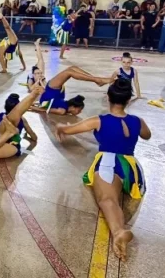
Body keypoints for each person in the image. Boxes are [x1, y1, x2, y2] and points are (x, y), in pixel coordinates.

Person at [55, 78, 151, 261]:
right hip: (131, 168)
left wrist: (60, 127)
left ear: (108, 97)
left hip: (108, 164)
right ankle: (120, 231)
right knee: (113, 197)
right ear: (128, 100)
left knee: (107, 200)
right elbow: (147, 135)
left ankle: (119, 232)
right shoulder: (138, 121)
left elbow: (71, 130)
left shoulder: (99, 120)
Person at [29, 39, 112, 116]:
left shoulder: (63, 110)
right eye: (79, 110)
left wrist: (34, 107)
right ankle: (96, 79)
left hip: (49, 97)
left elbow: (46, 110)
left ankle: (96, 80)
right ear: (72, 107)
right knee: (71, 68)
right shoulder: (64, 109)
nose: (80, 112)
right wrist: (35, 106)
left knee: (69, 72)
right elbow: (45, 109)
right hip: (55, 95)